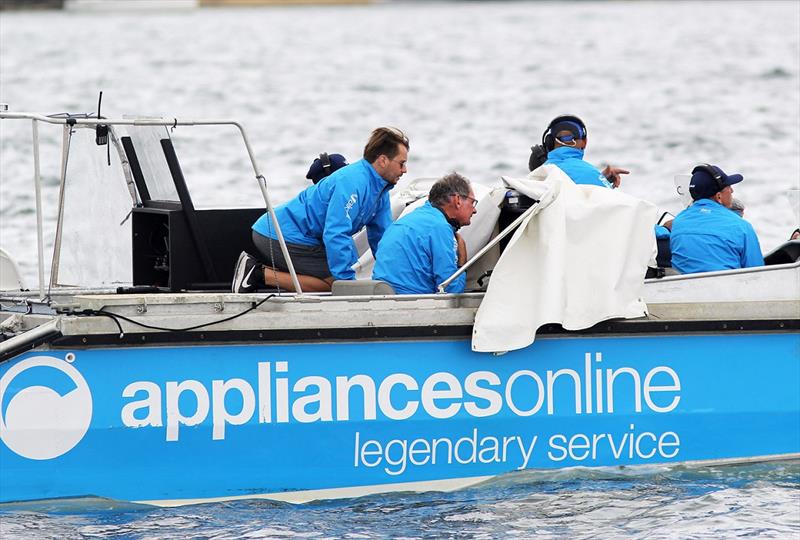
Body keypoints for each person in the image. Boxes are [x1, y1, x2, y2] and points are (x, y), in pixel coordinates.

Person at [232, 127, 409, 293]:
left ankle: (262, 272)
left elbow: (382, 238)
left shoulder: (380, 190)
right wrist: (347, 285)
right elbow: (336, 233)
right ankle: (256, 273)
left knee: (348, 265)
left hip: (301, 238)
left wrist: (398, 278)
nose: (405, 170)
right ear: (383, 160)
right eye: (401, 163)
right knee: (335, 282)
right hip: (276, 234)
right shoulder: (352, 182)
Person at [372, 173, 477, 294]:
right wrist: (462, 261)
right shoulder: (439, 227)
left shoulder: (406, 220)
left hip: (382, 296)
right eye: (472, 202)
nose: (474, 210)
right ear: (458, 200)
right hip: (412, 304)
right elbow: (451, 289)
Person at [670, 164, 763, 274]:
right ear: (719, 197)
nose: (732, 191)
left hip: (684, 288)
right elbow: (757, 273)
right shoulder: (741, 226)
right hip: (727, 288)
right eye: (728, 187)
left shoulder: (678, 222)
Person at [541, 114, 629, 188]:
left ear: (549, 142)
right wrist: (599, 179)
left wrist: (601, 177)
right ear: (585, 142)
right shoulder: (590, 174)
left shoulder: (539, 173)